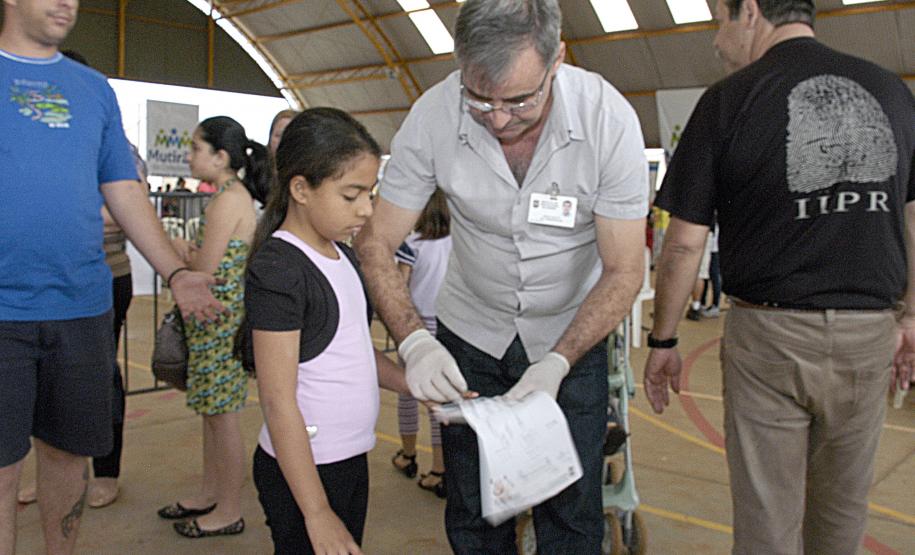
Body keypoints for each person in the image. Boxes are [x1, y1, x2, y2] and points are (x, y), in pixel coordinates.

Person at [354, 1, 648, 552]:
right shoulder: (434, 115)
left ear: (557, 60)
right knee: (473, 506)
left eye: (519, 100)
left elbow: (625, 269)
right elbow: (374, 241)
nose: (497, 118)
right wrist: (415, 342)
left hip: (571, 337)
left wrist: (558, 362)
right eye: (479, 98)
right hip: (471, 334)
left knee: (571, 512)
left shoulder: (607, 120)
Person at [642, 1, 915, 554]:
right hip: (868, 336)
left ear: (749, 12)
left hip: (769, 340)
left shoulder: (728, 100)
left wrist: (664, 339)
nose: (717, 41)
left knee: (768, 518)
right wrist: (910, 316)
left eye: (719, 21)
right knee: (842, 514)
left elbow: (685, 242)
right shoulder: (891, 92)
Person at [0, 2, 222, 553]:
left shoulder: (94, 89)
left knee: (67, 456)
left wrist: (176, 272)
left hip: (81, 308)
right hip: (3, 315)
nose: (67, 2)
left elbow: (123, 189)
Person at [243, 108, 408, 555]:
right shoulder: (279, 270)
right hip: (305, 471)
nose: (367, 209)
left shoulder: (343, 256)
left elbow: (350, 349)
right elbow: (278, 401)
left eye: (370, 193)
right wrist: (316, 511)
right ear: (301, 189)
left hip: (348, 458)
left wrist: (409, 383)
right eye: (351, 195)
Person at [157, 116, 269, 538]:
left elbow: (205, 268)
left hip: (219, 323)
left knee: (222, 419)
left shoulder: (227, 201)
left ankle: (229, 509)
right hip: (213, 323)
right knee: (211, 413)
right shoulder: (229, 196)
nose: (189, 157)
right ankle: (210, 493)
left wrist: (177, 249)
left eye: (196, 149)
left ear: (221, 157)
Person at [390, 189, 452, 498]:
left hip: (415, 328)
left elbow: (400, 287)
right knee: (440, 399)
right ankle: (440, 468)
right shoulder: (457, 244)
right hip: (448, 324)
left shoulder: (412, 244)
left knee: (408, 393)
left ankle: (408, 454)